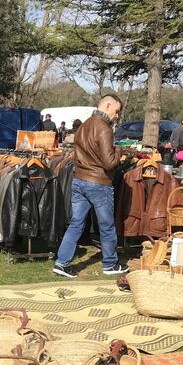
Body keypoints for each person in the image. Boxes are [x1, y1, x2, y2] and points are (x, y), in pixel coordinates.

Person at [53, 94, 127, 278]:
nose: (116, 116)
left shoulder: (84, 125)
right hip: (99, 183)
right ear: (108, 105)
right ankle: (110, 264)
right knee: (107, 225)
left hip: (79, 180)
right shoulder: (104, 128)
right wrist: (119, 150)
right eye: (116, 111)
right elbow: (109, 163)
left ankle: (61, 263)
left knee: (76, 224)